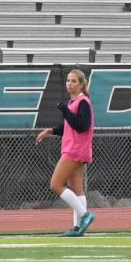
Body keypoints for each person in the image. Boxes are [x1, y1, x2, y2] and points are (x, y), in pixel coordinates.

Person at [35, 68, 97, 237]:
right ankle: (78, 228)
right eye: (68, 81)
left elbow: (81, 125)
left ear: (82, 84)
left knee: (56, 184)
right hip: (77, 149)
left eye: (74, 81)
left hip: (75, 150)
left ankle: (85, 215)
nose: (70, 84)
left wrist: (65, 110)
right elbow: (68, 127)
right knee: (77, 189)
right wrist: (50, 131)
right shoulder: (73, 103)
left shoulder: (82, 102)